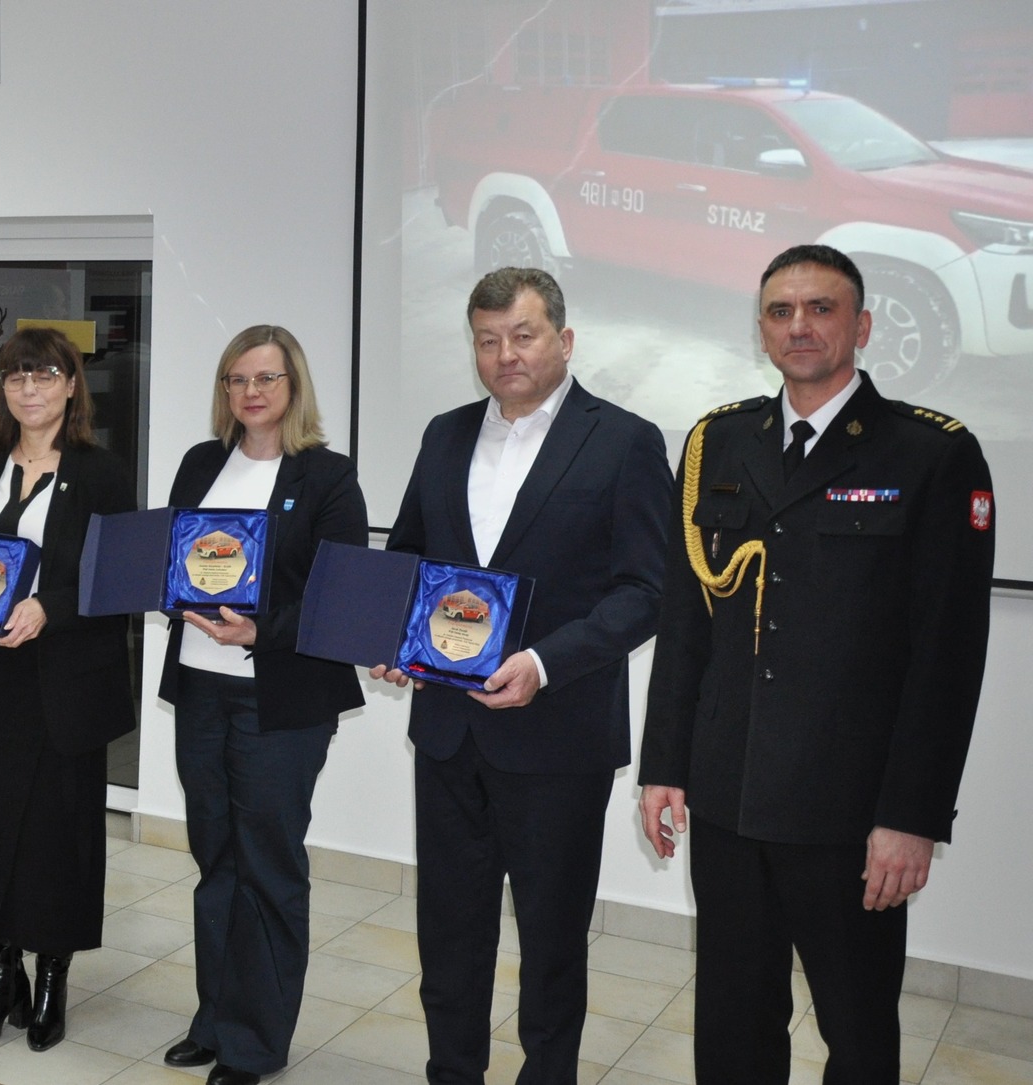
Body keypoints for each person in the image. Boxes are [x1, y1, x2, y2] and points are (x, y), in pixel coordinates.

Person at [639, 244, 994, 1084]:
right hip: (728, 796)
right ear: (762, 328)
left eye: (821, 308)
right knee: (732, 1026)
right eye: (780, 311)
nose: (799, 325)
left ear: (861, 326)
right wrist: (665, 765)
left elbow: (947, 659)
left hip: (849, 811)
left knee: (858, 1033)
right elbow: (687, 622)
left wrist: (911, 816)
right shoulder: (717, 442)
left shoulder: (931, 454)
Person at [374, 267, 673, 1084]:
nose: (504, 354)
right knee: (449, 937)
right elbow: (408, 555)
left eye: (523, 335)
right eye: (487, 339)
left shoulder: (624, 440)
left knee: (551, 946)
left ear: (564, 340)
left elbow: (647, 591)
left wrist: (544, 662)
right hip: (448, 733)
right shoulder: (444, 434)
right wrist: (392, 634)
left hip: (558, 738)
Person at [0, 327, 134, 1051]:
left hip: (65, 681)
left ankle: (52, 979)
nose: (28, 389)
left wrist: (50, 608)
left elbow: (116, 581)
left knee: (57, 838)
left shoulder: (102, 472)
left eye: (43, 375)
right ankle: (0, 974)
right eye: (14, 376)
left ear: (71, 385)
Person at [158, 325, 366, 1085]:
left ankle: (256, 1043)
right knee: (215, 859)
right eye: (236, 379)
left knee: (268, 867)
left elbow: (341, 597)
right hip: (199, 687)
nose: (250, 392)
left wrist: (260, 629)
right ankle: (215, 1018)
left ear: (293, 386)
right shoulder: (200, 463)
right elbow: (173, 557)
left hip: (280, 697)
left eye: (266, 378)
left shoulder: (328, 477)